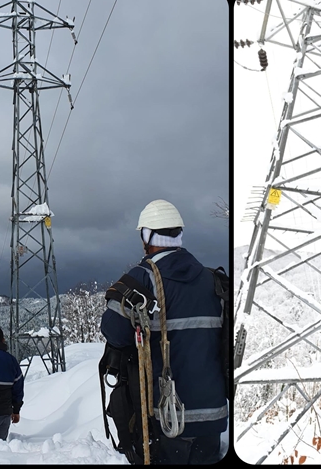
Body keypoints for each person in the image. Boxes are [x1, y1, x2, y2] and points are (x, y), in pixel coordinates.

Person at [100, 199, 227, 464]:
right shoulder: (214, 281)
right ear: (179, 234)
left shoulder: (140, 280)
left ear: (146, 236)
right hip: (212, 418)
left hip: (165, 419)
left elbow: (114, 333)